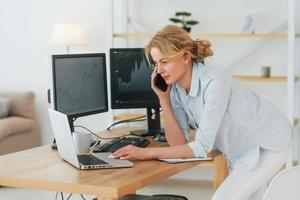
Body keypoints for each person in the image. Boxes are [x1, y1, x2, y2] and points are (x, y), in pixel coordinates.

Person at [112, 25, 292, 200]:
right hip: (241, 149)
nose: (159, 70)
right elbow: (178, 143)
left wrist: (145, 153)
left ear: (186, 57)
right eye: (156, 64)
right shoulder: (175, 90)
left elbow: (201, 148)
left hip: (267, 143)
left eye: (164, 62)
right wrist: (163, 100)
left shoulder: (215, 82)